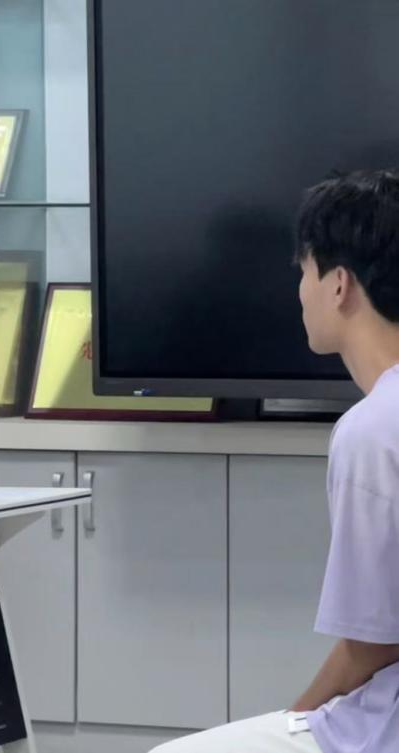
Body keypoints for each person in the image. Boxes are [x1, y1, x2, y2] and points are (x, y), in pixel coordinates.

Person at [154, 171, 399, 753]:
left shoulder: (374, 429)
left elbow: (375, 642)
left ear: (338, 284)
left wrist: (297, 714)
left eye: (304, 271)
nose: (299, 291)